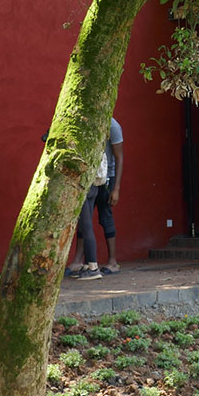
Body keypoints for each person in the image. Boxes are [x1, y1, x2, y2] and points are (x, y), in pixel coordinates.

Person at [66, 117, 124, 279]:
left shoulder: (113, 126)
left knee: (105, 217)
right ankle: (79, 260)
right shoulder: (88, 121)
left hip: (107, 177)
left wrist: (116, 188)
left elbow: (119, 156)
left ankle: (112, 261)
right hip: (91, 177)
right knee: (84, 219)